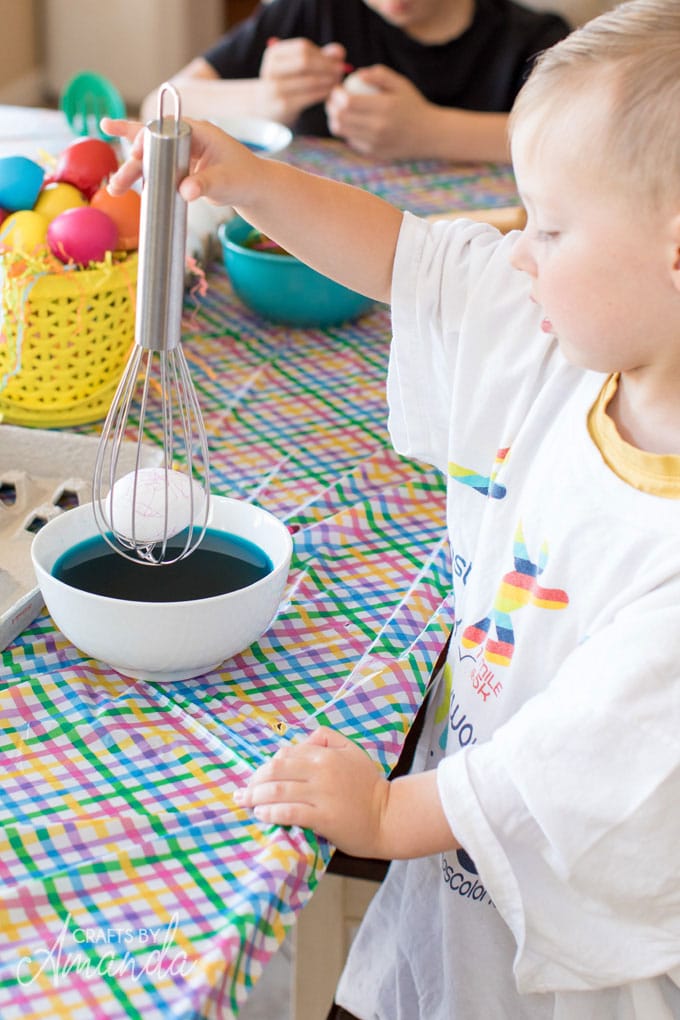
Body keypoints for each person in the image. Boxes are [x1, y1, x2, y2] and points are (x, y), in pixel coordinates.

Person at [106, 0, 680, 1015]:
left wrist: (376, 815)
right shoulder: (581, 349)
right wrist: (239, 172)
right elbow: (409, 259)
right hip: (456, 872)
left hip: (567, 959)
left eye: (546, 224)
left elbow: (554, 776)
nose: (516, 250)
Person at [141, 0, 570, 162]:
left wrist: (430, 132)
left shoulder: (532, 41)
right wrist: (264, 100)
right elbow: (159, 106)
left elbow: (579, 143)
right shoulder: (308, 12)